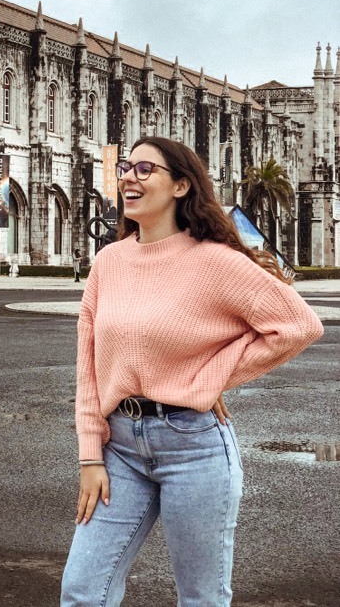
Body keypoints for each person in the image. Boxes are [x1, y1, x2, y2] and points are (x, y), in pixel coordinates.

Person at [61, 136, 324, 607]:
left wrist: (211, 376)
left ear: (181, 185)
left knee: (201, 598)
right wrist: (89, 455)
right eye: (126, 167)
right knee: (82, 590)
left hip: (195, 449)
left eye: (145, 169)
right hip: (118, 448)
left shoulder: (215, 261)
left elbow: (298, 325)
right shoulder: (108, 261)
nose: (128, 177)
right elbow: (89, 364)